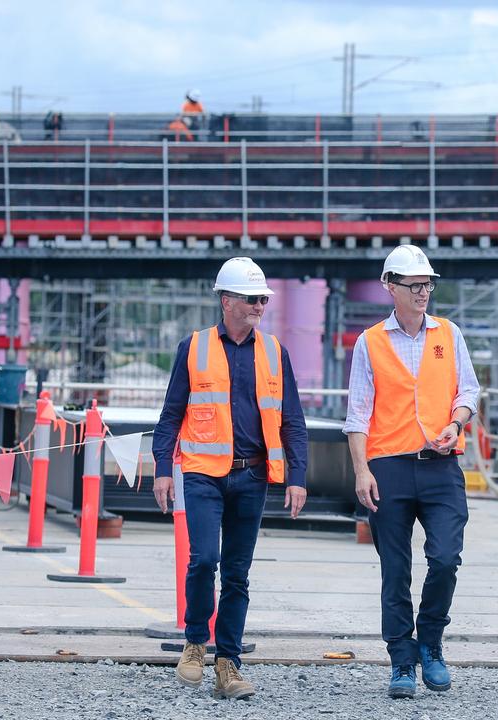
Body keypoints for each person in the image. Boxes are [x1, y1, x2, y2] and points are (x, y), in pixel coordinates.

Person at [151, 257, 309, 700]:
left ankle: (229, 663)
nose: (261, 304)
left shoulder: (275, 352)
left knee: (238, 574)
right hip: (203, 472)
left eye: (263, 298)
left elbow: (293, 419)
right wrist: (163, 468)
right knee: (204, 560)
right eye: (252, 297)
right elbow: (170, 415)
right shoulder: (194, 348)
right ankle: (196, 641)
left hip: (252, 475)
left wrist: (297, 476)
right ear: (227, 301)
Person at [344, 244, 480, 699]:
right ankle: (402, 659)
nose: (424, 292)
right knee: (395, 569)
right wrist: (362, 471)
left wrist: (456, 422)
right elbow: (358, 414)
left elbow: (469, 391)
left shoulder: (449, 333)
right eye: (415, 285)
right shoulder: (371, 342)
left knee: (445, 559)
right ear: (390, 288)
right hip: (389, 469)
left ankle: (431, 643)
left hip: (442, 466)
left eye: (428, 285)